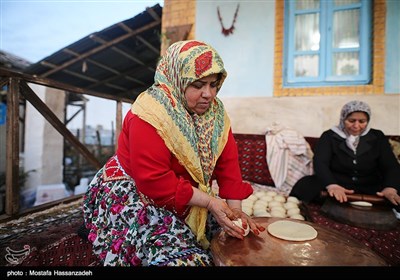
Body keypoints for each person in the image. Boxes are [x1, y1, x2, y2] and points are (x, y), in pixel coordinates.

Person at [82, 40, 265, 266]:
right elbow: (153, 180)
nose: (208, 94)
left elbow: (228, 164)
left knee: (233, 238)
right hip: (137, 187)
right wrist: (209, 202)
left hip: (182, 188)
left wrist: (235, 211)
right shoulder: (150, 113)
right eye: (198, 85)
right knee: (182, 258)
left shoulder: (215, 114)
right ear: (178, 79)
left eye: (213, 84)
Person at [289, 100, 400, 208]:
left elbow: (391, 166)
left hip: (370, 185)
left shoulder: (377, 137)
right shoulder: (329, 136)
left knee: (395, 190)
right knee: (306, 185)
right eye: (351, 121)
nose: (356, 126)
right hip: (338, 182)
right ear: (343, 119)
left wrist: (390, 188)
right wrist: (332, 185)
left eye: (362, 122)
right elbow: (320, 163)